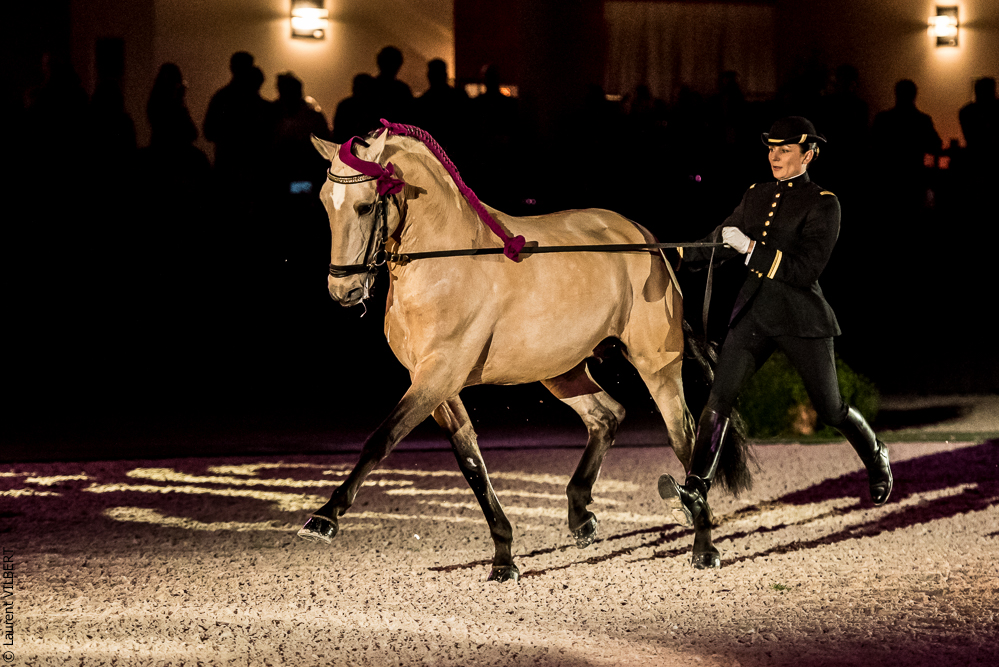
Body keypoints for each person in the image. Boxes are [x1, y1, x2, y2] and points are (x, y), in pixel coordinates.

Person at [658, 116, 893, 545]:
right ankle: (695, 488)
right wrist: (668, 255)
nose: (774, 156)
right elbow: (716, 242)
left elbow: (804, 270)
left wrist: (750, 248)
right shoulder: (757, 194)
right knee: (719, 398)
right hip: (754, 315)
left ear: (809, 155)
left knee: (831, 409)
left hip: (801, 318)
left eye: (784, 150)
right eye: (771, 149)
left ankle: (875, 453)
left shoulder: (824, 204)